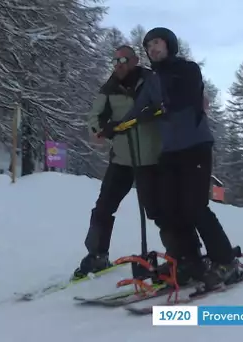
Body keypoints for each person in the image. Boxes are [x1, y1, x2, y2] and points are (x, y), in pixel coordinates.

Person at [121, 27, 240, 290]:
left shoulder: (187, 69)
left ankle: (226, 261)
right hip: (171, 151)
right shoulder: (152, 80)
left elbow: (186, 97)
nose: (153, 49)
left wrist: (158, 108)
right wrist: (115, 125)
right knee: (168, 209)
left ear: (169, 45)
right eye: (149, 45)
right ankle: (188, 260)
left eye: (157, 43)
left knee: (195, 206)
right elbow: (138, 107)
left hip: (195, 145)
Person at [72, 45, 173, 280]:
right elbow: (95, 117)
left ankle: (177, 255)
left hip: (149, 157)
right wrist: (102, 130)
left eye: (124, 59)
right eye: (115, 59)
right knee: (103, 207)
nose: (118, 63)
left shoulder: (150, 80)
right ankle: (97, 254)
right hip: (122, 158)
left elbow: (169, 105)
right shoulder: (109, 88)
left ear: (135, 60)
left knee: (158, 210)